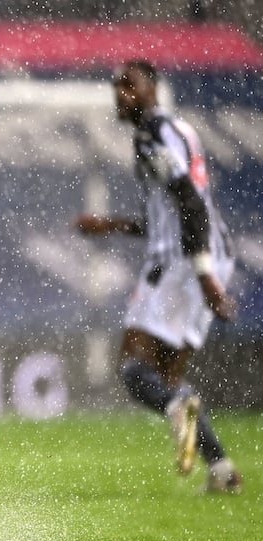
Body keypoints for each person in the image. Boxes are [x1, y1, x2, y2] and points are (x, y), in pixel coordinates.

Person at [74, 59, 241, 494]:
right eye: (117, 86)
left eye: (130, 85)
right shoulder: (180, 130)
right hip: (207, 255)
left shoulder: (151, 134)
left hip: (184, 262)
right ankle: (222, 469)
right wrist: (110, 225)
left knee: (133, 368)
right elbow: (172, 211)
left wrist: (204, 277)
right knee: (169, 375)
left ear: (153, 89)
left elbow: (190, 201)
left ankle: (176, 407)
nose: (121, 94)